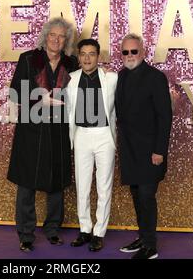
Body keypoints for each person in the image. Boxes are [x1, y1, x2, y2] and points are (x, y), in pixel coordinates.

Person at [7, 17, 78, 252]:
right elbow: (16, 93)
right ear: (45, 36)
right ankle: (26, 234)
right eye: (53, 35)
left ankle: (52, 230)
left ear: (66, 41)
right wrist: (39, 98)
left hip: (58, 129)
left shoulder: (72, 62)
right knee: (27, 183)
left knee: (55, 182)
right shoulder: (28, 58)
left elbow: (81, 92)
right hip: (32, 129)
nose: (56, 40)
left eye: (61, 36)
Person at [115, 33, 172, 259]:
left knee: (147, 196)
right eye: (125, 52)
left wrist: (159, 150)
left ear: (143, 52)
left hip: (151, 151)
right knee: (137, 195)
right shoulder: (120, 76)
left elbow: (164, 117)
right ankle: (143, 237)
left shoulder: (156, 77)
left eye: (134, 51)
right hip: (129, 150)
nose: (129, 56)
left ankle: (150, 245)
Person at [66, 39, 117, 252]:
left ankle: (99, 232)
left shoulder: (112, 78)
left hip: (104, 134)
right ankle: (85, 229)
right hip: (82, 135)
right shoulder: (70, 79)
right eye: (83, 54)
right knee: (82, 186)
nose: (87, 58)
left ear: (98, 56)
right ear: (78, 57)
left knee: (104, 186)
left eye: (92, 54)